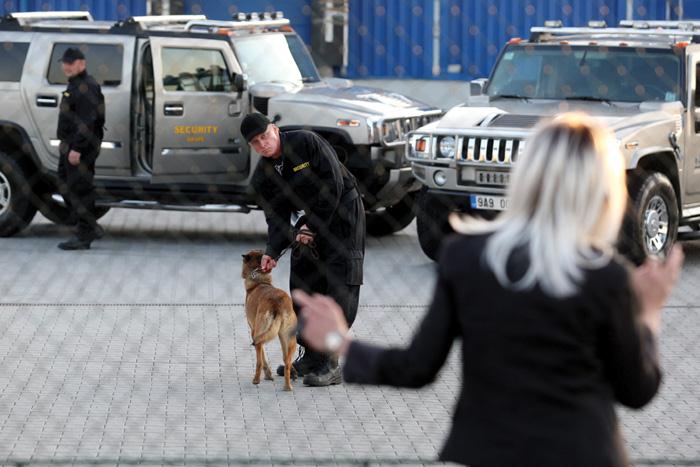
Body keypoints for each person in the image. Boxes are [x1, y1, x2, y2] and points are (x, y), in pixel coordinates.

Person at [293, 114, 684, 466]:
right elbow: (637, 390)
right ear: (602, 187)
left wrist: (339, 341)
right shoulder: (606, 276)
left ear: (526, 175)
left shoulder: (467, 258)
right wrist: (649, 311)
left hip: (489, 450)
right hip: (582, 451)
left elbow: (416, 367)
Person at [242, 113, 365, 387]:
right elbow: (276, 217)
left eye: (265, 136)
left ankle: (331, 362)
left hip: (343, 214)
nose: (263, 144)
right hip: (309, 224)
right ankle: (310, 355)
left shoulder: (307, 143)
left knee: (339, 284)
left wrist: (311, 226)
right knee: (302, 283)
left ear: (274, 129)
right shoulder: (264, 174)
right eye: (256, 142)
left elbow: (333, 185)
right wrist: (271, 252)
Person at [56, 47, 106, 250]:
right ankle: (90, 225)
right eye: (65, 62)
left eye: (71, 62)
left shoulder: (87, 86)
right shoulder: (75, 85)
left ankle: (84, 235)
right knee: (65, 184)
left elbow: (88, 121)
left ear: (82, 63)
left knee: (80, 189)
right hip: (70, 145)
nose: (66, 66)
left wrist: (77, 148)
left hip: (81, 147)